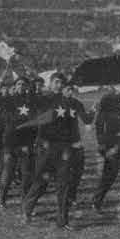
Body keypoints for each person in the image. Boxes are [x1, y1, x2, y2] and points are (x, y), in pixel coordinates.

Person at [22, 72, 75, 230]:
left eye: (62, 83)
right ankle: (27, 208)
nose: (59, 85)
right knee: (42, 181)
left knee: (63, 184)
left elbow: (71, 125)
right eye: (57, 82)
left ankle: (63, 220)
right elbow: (31, 100)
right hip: (46, 146)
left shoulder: (68, 100)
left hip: (63, 148)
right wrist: (32, 83)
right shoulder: (44, 98)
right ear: (50, 83)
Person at [91, 84, 120, 212]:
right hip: (112, 142)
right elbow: (99, 122)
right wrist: (101, 142)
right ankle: (97, 201)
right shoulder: (107, 99)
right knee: (110, 174)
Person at [0, 76, 36, 208]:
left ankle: (24, 201)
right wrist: (0, 84)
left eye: (23, 84)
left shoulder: (30, 101)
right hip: (10, 142)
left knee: (26, 174)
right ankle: (2, 196)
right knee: (8, 172)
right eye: (18, 84)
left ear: (26, 87)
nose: (21, 86)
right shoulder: (8, 100)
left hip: (26, 142)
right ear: (15, 86)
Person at [62, 82, 96, 206]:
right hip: (61, 141)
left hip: (75, 141)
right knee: (64, 171)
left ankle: (71, 195)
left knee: (78, 170)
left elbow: (86, 119)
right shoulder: (55, 102)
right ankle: (63, 197)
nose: (70, 92)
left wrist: (92, 111)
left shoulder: (76, 103)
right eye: (67, 89)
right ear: (62, 90)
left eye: (71, 89)